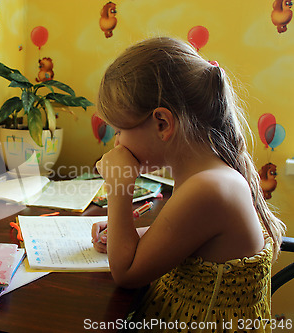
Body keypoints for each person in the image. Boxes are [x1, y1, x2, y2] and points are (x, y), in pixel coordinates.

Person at [91, 36, 285, 332]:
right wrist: (127, 233)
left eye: (120, 130)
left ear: (162, 124)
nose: (116, 142)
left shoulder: (208, 188)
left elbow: (127, 273)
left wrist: (118, 188)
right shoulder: (203, 174)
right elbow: (188, 237)